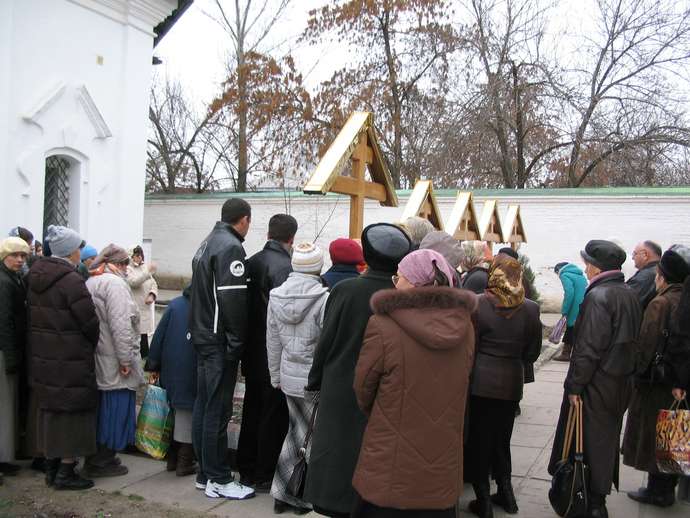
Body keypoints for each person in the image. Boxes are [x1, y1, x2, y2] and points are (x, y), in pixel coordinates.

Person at [351, 249, 476, 518]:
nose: (394, 282)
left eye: (400, 276)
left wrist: (387, 412)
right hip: (442, 453)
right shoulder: (465, 327)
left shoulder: (383, 325)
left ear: (415, 283)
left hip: (391, 459)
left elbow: (363, 389)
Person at [304, 223, 411, 518]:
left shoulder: (345, 291)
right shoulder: (402, 296)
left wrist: (315, 380)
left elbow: (327, 340)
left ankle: (333, 504)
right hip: (383, 389)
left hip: (340, 383)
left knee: (338, 452)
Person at [548, 240, 642, 518]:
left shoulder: (599, 296)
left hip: (597, 384)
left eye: (587, 262)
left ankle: (592, 502)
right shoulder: (627, 292)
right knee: (605, 438)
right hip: (619, 381)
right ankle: (597, 498)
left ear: (594, 266)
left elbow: (588, 348)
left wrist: (576, 386)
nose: (585, 268)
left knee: (588, 441)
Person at [466, 255, 542, 518]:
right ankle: (506, 493)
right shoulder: (531, 308)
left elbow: (469, 348)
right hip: (511, 382)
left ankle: (483, 499)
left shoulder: (477, 303)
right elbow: (532, 353)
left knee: (479, 440)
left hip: (480, 383)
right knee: (502, 438)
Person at [189, 198, 255, 500]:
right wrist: (237, 343)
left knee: (205, 406)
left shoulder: (207, 242)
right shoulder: (230, 247)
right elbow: (233, 301)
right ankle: (219, 477)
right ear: (244, 219)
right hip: (217, 342)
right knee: (217, 409)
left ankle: (205, 473)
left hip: (203, 336)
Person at [27, 226, 100, 490]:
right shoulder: (71, 280)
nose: (81, 252)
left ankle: (51, 467)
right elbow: (89, 323)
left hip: (44, 357)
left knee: (50, 414)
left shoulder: (35, 276)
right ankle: (65, 472)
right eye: (79, 248)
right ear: (71, 252)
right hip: (70, 359)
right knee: (73, 417)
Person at [623, 248, 690, 507]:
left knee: (655, 434)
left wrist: (636, 371)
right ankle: (667, 486)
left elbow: (646, 344)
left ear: (663, 276)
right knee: (673, 435)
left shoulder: (660, 302)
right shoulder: (682, 298)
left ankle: (657, 491)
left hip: (658, 382)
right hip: (676, 380)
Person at [266, 242, 329, 515]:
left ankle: (283, 494)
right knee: (307, 437)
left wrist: (274, 375)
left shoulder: (276, 295)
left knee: (296, 432)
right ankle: (296, 494)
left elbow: (272, 340)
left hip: (288, 377)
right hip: (313, 380)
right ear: (317, 266)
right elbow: (326, 343)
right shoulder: (324, 298)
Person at [238, 214, 297, 492]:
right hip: (273, 352)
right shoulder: (286, 267)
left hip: (251, 350)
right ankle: (263, 471)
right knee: (272, 415)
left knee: (252, 409)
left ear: (268, 234)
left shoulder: (250, 263)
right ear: (291, 239)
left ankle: (246, 468)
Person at [83, 244, 144, 478]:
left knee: (102, 410)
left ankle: (96, 456)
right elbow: (121, 325)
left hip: (99, 355)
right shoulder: (115, 284)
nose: (126, 269)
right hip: (114, 360)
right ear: (115, 265)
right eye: (123, 264)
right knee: (115, 411)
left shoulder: (93, 281)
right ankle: (103, 459)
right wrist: (125, 359)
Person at [146, 285, 197, 477]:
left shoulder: (174, 305)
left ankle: (172, 459)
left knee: (174, 412)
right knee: (186, 414)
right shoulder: (205, 308)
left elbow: (158, 337)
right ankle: (184, 461)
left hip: (171, 368)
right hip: (190, 369)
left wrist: (153, 364)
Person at [0, 237, 30, 481]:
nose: (20, 260)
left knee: (7, 409)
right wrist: (10, 357)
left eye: (23, 256)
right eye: (15, 255)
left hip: (11, 351)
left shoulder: (14, 278)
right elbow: (4, 323)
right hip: (3, 351)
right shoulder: (3, 282)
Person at [552, 261, 588, 362]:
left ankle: (566, 353)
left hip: (574, 304)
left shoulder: (564, 274)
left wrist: (565, 310)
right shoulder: (579, 274)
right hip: (584, 303)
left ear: (558, 271)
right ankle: (578, 353)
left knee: (570, 328)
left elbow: (569, 292)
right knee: (578, 328)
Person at [127, 245, 158, 359]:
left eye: (140, 255)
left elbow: (154, 283)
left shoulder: (144, 267)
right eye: (136, 255)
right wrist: (148, 273)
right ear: (132, 256)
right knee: (135, 334)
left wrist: (152, 294)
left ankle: (146, 358)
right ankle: (135, 358)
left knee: (145, 334)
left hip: (145, 307)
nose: (139, 257)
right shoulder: (128, 269)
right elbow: (134, 282)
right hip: (135, 307)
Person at [627, 240, 662, 309]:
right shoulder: (662, 272)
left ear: (645, 255)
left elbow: (628, 303)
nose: (632, 258)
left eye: (634, 254)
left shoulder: (645, 277)